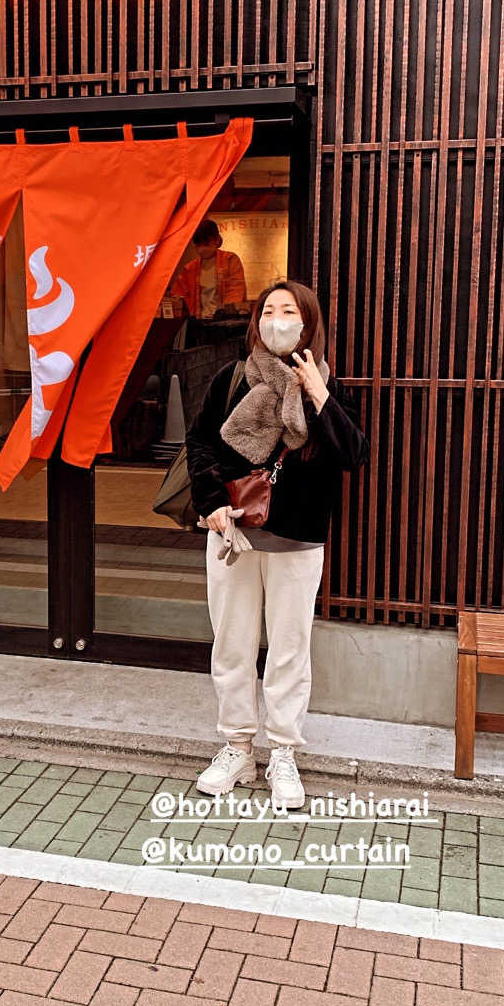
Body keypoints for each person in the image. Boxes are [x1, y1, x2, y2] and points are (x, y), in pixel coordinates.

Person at [185, 279, 368, 808]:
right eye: (269, 310)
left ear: (309, 322)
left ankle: (283, 753)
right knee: (233, 645)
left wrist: (318, 393)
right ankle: (238, 748)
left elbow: (352, 455)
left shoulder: (328, 388)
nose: (277, 319)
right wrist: (210, 499)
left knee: (289, 651)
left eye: (289, 310)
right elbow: (200, 443)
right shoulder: (232, 379)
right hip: (233, 534)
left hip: (298, 539)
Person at [169, 219, 247, 318]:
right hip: (198, 323)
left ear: (216, 240)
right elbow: (177, 295)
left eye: (205, 244)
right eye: (198, 245)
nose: (201, 249)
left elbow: (236, 291)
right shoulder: (190, 269)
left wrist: (227, 314)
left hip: (223, 322)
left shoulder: (230, 260)